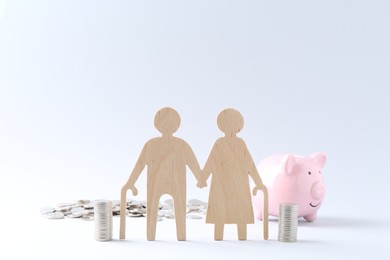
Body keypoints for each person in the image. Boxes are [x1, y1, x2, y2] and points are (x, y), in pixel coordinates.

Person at [120, 107, 202, 241]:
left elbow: (193, 163)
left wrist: (200, 177)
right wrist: (131, 182)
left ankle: (171, 236)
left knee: (174, 207)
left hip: (171, 183)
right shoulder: (176, 144)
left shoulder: (161, 144)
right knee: (155, 207)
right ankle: (162, 236)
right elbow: (140, 164)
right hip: (160, 182)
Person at [197, 108, 266, 240]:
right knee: (236, 210)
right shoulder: (237, 143)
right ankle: (239, 236)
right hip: (234, 184)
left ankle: (221, 236)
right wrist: (258, 182)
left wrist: (202, 178)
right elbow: (249, 164)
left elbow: (211, 162)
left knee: (226, 210)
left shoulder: (225, 143)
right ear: (239, 126)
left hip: (225, 183)